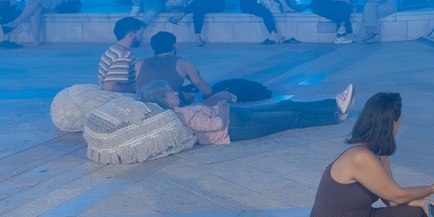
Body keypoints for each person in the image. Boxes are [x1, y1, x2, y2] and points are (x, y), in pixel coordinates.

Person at [139, 81, 355, 145]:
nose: (175, 92)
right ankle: (333, 116)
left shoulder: (180, 109)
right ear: (163, 101)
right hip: (237, 128)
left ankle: (334, 104)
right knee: (290, 117)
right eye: (169, 93)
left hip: (238, 117)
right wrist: (223, 105)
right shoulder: (180, 115)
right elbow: (215, 126)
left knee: (282, 106)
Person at [98, 17, 146, 92]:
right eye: (141, 33)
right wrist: (137, 88)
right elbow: (110, 87)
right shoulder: (123, 56)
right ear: (131, 35)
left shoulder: (113, 49)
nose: (143, 37)